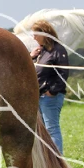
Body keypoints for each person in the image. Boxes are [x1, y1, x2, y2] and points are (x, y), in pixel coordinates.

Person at [30, 20, 69, 153]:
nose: (34, 37)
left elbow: (63, 73)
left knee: (51, 128)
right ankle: (47, 158)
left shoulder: (58, 50)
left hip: (50, 97)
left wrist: (52, 91)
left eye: (36, 34)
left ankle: (56, 158)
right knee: (42, 130)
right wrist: (31, 57)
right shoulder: (42, 51)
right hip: (40, 96)